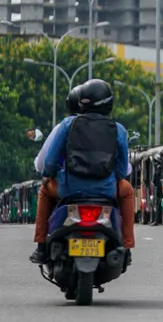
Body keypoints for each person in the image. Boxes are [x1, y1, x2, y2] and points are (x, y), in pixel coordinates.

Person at [30, 80, 136, 265]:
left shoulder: (67, 124)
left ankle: (40, 245)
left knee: (44, 190)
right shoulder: (118, 129)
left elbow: (50, 162)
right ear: (109, 103)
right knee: (127, 190)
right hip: (106, 191)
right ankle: (127, 246)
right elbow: (121, 170)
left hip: (69, 189)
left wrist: (49, 174)